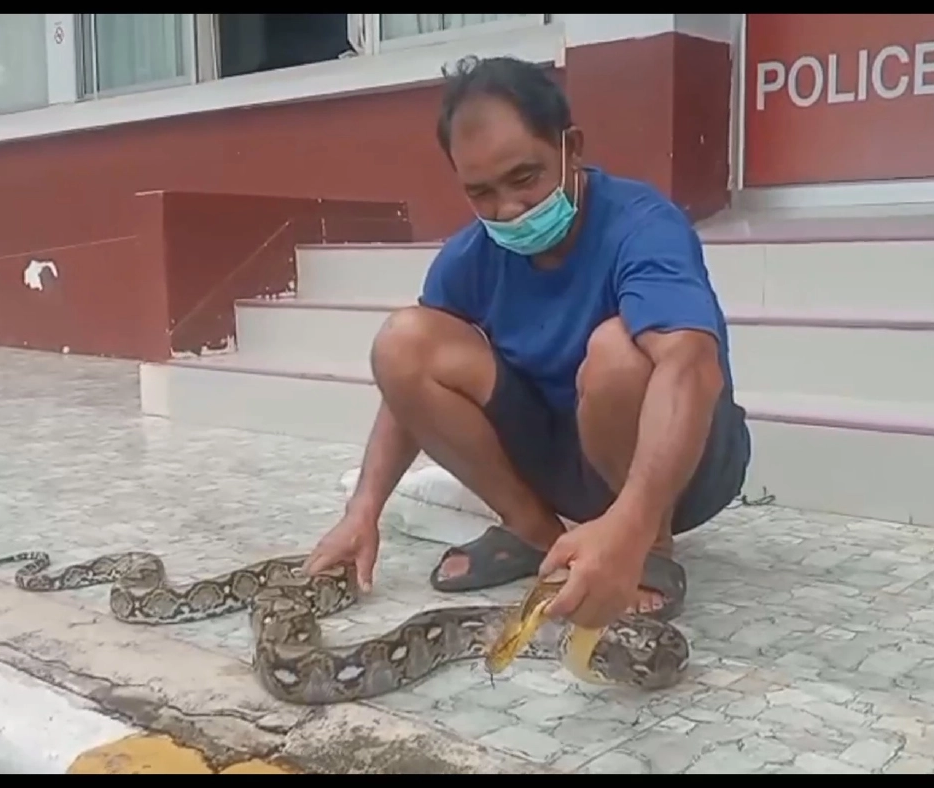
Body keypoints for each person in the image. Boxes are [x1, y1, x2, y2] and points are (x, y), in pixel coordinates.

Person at [304, 55, 751, 630]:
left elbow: (689, 365)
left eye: (525, 178)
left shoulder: (642, 227)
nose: (508, 209)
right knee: (405, 341)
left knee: (620, 351)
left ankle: (647, 546)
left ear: (572, 147)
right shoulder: (469, 259)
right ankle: (537, 534)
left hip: (682, 463)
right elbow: (406, 389)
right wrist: (363, 510)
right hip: (562, 456)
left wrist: (633, 523)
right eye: (481, 192)